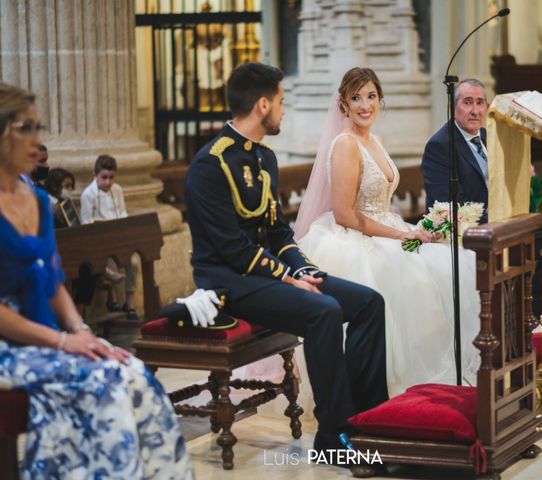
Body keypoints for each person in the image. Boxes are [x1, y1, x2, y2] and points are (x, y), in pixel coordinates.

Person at [185, 62, 388, 454]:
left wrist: (304, 268)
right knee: (324, 310)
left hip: (266, 275)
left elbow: (277, 233)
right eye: (280, 101)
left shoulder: (264, 159)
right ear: (262, 105)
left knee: (368, 303)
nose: (283, 109)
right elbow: (232, 250)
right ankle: (334, 436)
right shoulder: (211, 164)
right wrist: (288, 279)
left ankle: (370, 418)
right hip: (229, 283)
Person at [0, 81, 192, 479]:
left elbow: (52, 281)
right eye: (28, 128)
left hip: (44, 333)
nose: (39, 140)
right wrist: (63, 341)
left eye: (40, 127)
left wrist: (83, 331)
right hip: (8, 345)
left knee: (132, 371)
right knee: (100, 383)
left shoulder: (35, 199)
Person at [294, 67, 481, 397]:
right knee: (417, 279)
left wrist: (417, 227)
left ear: (381, 100)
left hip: (385, 226)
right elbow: (344, 214)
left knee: (455, 264)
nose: (365, 105)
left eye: (371, 96)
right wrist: (400, 236)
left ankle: (446, 372)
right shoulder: (346, 145)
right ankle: (398, 384)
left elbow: (379, 202)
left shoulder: (374, 140)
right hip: (356, 238)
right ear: (344, 106)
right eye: (356, 98)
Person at [421, 78, 542, 319]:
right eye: (467, 103)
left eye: (480, 103)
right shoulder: (441, 145)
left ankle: (533, 314)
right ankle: (519, 315)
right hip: (471, 230)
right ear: (453, 106)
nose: (475, 110)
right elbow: (442, 202)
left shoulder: (489, 137)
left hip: (501, 221)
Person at [80, 155, 138, 320]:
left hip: (118, 238)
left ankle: (130, 302)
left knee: (132, 264)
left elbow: (123, 212)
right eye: (104, 177)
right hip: (100, 243)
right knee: (110, 262)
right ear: (95, 175)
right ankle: (113, 299)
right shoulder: (88, 194)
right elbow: (86, 222)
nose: (108, 182)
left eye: (111, 177)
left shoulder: (117, 190)